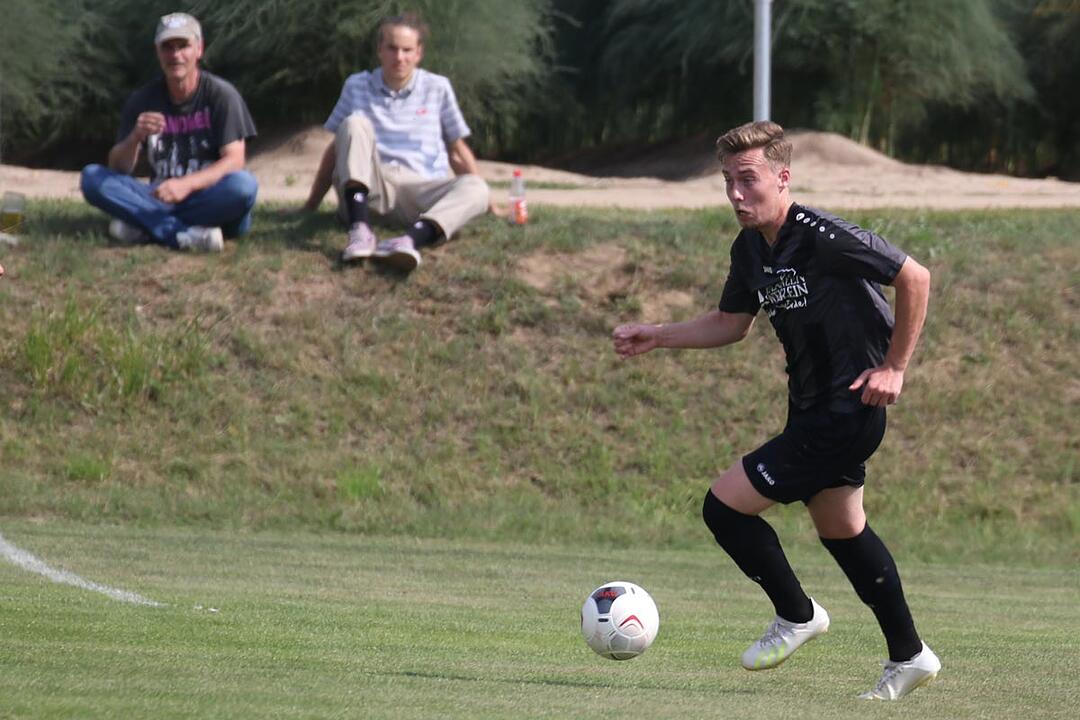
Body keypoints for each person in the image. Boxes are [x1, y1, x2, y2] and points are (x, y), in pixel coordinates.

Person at [613, 121, 938, 701]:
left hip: (846, 409)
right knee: (843, 531)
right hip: (812, 411)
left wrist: (895, 367)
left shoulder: (821, 235)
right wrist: (658, 335)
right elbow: (731, 324)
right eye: (728, 183)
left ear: (782, 178)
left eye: (749, 180)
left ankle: (797, 614)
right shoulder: (748, 250)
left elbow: (915, 276)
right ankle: (909, 655)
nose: (737, 194)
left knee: (724, 508)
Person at [299, 12, 491, 272]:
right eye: (392, 48)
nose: (399, 57)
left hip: (420, 190)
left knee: (478, 187)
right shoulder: (356, 85)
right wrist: (311, 205)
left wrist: (488, 204)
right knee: (354, 122)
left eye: (407, 50)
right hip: (372, 185)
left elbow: (458, 151)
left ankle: (409, 240)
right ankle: (359, 230)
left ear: (419, 53)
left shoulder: (438, 87)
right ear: (380, 50)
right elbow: (336, 149)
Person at [80, 13, 258, 252]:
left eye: (183, 46)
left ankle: (144, 226)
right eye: (167, 47)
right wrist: (134, 137)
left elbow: (235, 159)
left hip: (207, 198)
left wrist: (186, 184)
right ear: (158, 52)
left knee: (243, 186)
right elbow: (118, 168)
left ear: (199, 49)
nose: (175, 55)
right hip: (158, 198)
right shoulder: (143, 99)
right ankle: (182, 234)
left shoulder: (221, 95)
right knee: (92, 177)